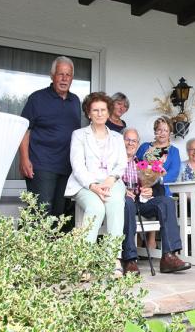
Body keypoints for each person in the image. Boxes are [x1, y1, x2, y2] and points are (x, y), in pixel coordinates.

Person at [64, 92, 126, 278]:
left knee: (115, 205)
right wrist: (93, 186)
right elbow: (77, 165)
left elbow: (121, 164)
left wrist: (110, 180)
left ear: (108, 113)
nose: (99, 113)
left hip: (112, 182)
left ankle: (113, 259)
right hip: (85, 185)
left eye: (103, 110)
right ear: (89, 113)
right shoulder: (79, 135)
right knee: (96, 208)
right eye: (95, 110)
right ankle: (83, 261)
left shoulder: (117, 137)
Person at [19, 56, 81, 225]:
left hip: (66, 167)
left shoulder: (75, 101)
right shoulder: (37, 99)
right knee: (40, 211)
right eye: (60, 74)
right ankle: (29, 249)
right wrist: (24, 159)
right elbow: (24, 130)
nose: (64, 78)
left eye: (68, 75)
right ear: (52, 76)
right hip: (41, 164)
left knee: (59, 213)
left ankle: (51, 250)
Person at [120, 128, 191, 274]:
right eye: (127, 139)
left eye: (134, 140)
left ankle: (168, 256)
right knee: (127, 204)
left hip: (142, 202)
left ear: (138, 144)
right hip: (123, 202)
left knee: (167, 202)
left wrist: (151, 190)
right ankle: (129, 259)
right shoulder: (115, 161)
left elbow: (158, 186)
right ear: (121, 141)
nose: (130, 143)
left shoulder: (143, 164)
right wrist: (122, 191)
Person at [135, 117, 181, 197]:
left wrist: (155, 180)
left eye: (166, 130)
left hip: (162, 191)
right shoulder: (144, 146)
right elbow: (135, 163)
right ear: (155, 131)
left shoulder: (174, 151)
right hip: (142, 189)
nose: (162, 133)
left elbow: (174, 173)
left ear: (170, 133)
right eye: (159, 129)